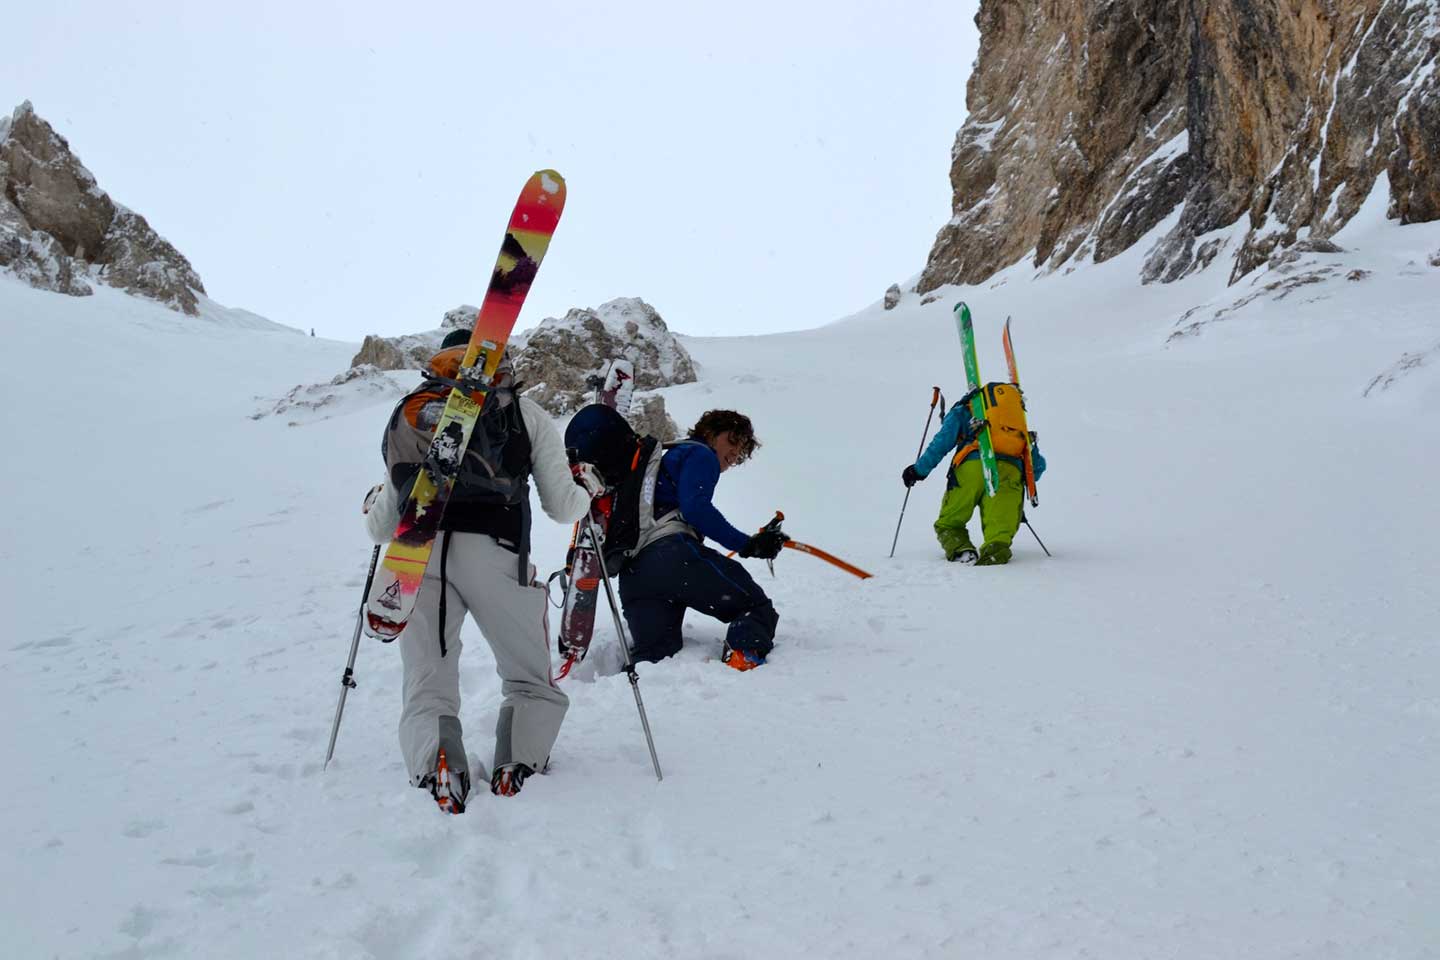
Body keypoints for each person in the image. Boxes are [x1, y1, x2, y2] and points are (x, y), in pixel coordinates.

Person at [363, 328, 602, 813]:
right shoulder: (522, 412)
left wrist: (372, 505)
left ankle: (437, 767)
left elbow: (382, 524)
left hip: (416, 555)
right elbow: (562, 507)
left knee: (428, 678)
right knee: (528, 676)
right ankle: (517, 762)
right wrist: (588, 490)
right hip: (497, 550)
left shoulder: (412, 413)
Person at [614, 410, 786, 671]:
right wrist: (747, 544)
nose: (736, 452)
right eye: (733, 440)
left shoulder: (667, 458)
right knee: (755, 606)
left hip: (636, 575)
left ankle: (629, 697)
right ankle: (742, 664)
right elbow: (695, 508)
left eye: (742, 450)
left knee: (655, 657)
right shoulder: (701, 454)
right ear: (710, 433)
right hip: (671, 556)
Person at [901, 383, 1047, 566]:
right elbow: (1037, 467)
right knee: (999, 536)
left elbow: (941, 443)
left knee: (950, 523)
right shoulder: (1016, 422)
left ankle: (962, 551)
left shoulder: (965, 409)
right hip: (1010, 472)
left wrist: (918, 471)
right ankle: (995, 560)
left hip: (972, 467)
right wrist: (1016, 489)